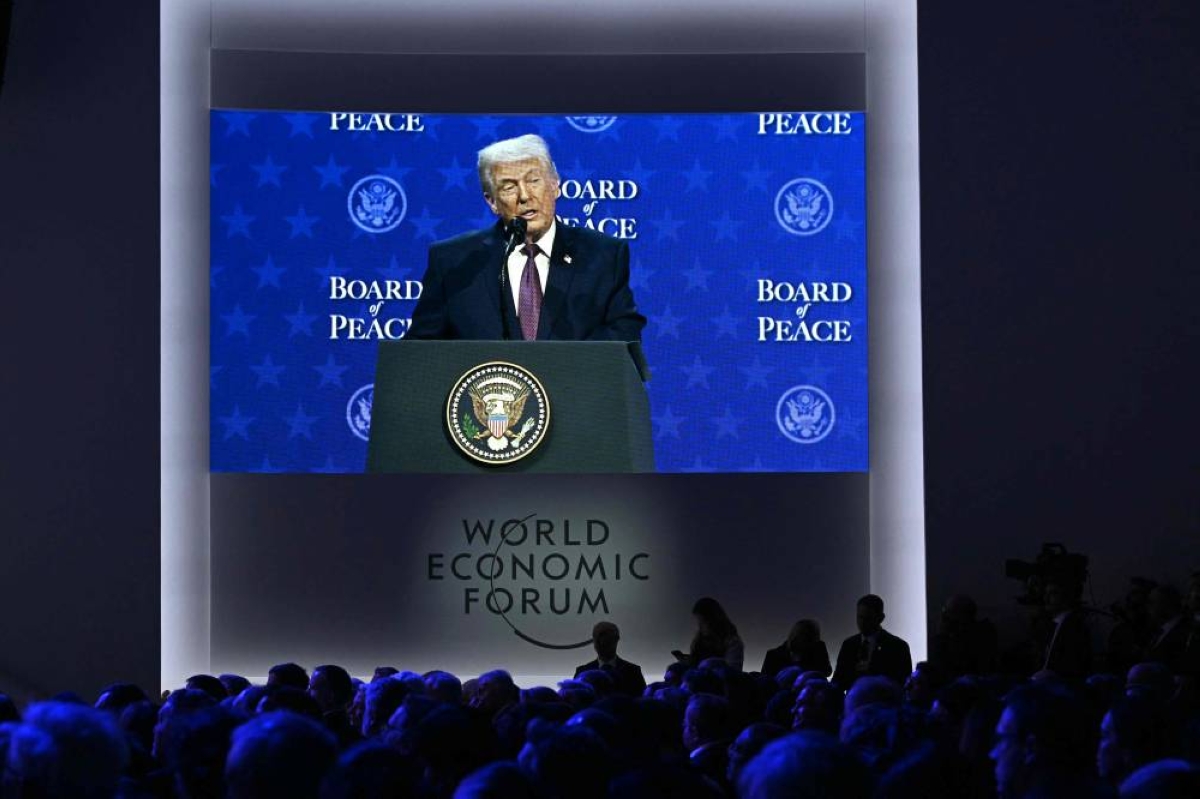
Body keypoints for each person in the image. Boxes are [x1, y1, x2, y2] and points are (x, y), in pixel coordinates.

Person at [408, 133, 645, 342]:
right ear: (492, 201)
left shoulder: (602, 255)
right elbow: (419, 350)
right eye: (509, 187)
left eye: (534, 180)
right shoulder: (455, 261)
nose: (524, 196)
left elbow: (624, 334)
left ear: (555, 185)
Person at [832, 594, 913, 693]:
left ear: (881, 618)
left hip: (883, 703)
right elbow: (838, 679)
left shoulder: (897, 647)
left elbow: (902, 682)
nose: (862, 622)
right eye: (860, 617)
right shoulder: (849, 644)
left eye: (868, 618)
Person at [573, 621, 647, 697]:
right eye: (596, 637)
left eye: (604, 635)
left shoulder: (633, 672)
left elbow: (642, 703)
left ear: (616, 639)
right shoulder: (581, 672)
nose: (599, 641)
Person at [675, 597, 745, 671]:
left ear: (714, 620)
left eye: (703, 622)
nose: (700, 626)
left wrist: (708, 665)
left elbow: (732, 672)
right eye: (698, 622)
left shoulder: (732, 642)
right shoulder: (699, 641)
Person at [761, 619, 833, 679]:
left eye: (810, 638)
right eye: (804, 636)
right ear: (795, 636)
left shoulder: (818, 649)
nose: (807, 641)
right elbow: (765, 682)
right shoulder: (773, 655)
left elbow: (827, 671)